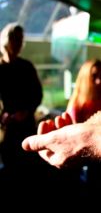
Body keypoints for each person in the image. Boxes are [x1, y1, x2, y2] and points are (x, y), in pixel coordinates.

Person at [0, 22, 45, 209]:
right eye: (15, 38)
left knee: (27, 165)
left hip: (25, 125)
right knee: (9, 166)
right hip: (5, 129)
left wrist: (26, 111)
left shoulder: (26, 66)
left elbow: (37, 94)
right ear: (6, 40)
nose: (18, 43)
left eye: (21, 39)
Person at [66, 58, 101, 210]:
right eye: (94, 76)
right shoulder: (77, 105)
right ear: (85, 78)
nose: (99, 81)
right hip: (85, 162)